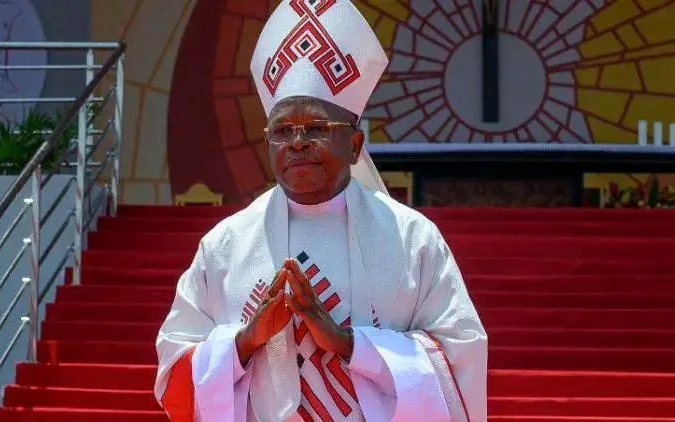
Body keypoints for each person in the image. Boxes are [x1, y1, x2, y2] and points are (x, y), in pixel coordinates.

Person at [154, 1, 488, 421]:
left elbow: (461, 360)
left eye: (315, 128)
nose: (296, 142)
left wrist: (348, 343)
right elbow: (174, 370)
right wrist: (244, 340)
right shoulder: (225, 244)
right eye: (281, 131)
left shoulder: (412, 238)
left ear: (354, 145)